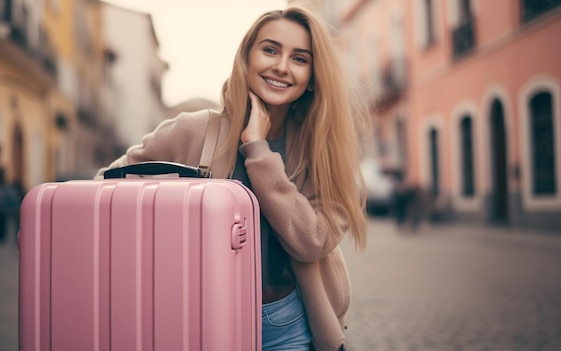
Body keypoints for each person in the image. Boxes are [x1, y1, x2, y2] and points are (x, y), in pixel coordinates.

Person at [96, 5, 368, 350]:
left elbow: (311, 242)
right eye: (270, 49)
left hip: (284, 326)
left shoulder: (326, 154)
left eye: (300, 59)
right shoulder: (193, 130)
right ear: (246, 58)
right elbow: (104, 189)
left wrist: (258, 150)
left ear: (313, 77)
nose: (281, 66)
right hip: (192, 319)